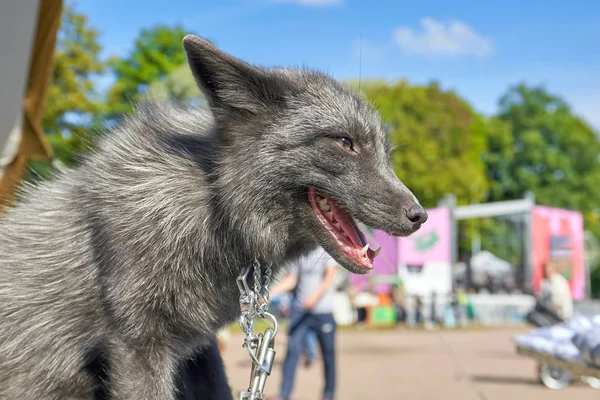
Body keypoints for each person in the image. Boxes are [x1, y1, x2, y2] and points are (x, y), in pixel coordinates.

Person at [269, 247, 339, 400]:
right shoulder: (300, 250)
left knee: (328, 355)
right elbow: (292, 280)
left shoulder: (326, 250)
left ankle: (328, 395)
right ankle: (284, 394)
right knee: (292, 352)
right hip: (300, 311)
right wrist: (270, 292)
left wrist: (314, 297)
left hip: (323, 312)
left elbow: (329, 276)